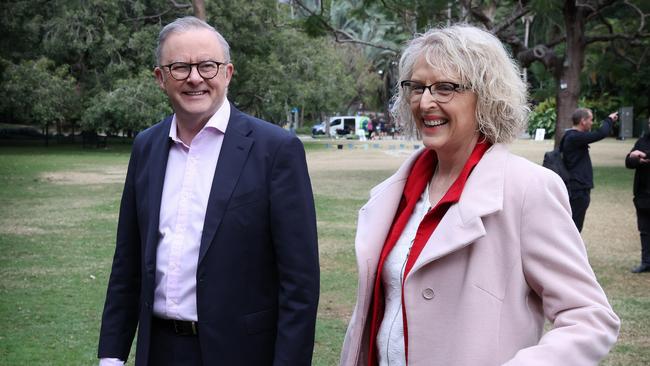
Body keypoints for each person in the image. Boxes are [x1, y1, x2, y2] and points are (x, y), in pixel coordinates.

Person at [339, 24, 619, 366]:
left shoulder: (528, 189)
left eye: (445, 88)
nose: (425, 101)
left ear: (485, 96)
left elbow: (590, 317)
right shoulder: (396, 193)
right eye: (417, 87)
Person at [97, 16, 319, 366]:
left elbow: (299, 284)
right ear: (161, 78)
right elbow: (128, 262)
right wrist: (111, 355)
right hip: (158, 352)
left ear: (228, 73)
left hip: (241, 354)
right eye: (180, 67)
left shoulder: (275, 150)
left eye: (207, 66)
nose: (195, 77)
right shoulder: (146, 147)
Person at [562, 108, 618, 232]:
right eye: (591, 120)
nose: (592, 123)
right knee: (574, 227)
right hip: (577, 189)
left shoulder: (572, 136)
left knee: (574, 225)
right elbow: (600, 134)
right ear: (583, 121)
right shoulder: (574, 137)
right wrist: (609, 120)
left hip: (579, 187)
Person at [625, 117, 650, 273]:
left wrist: (644, 154)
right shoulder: (642, 140)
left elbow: (642, 153)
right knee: (645, 229)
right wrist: (635, 159)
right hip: (643, 193)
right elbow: (628, 161)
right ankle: (646, 261)